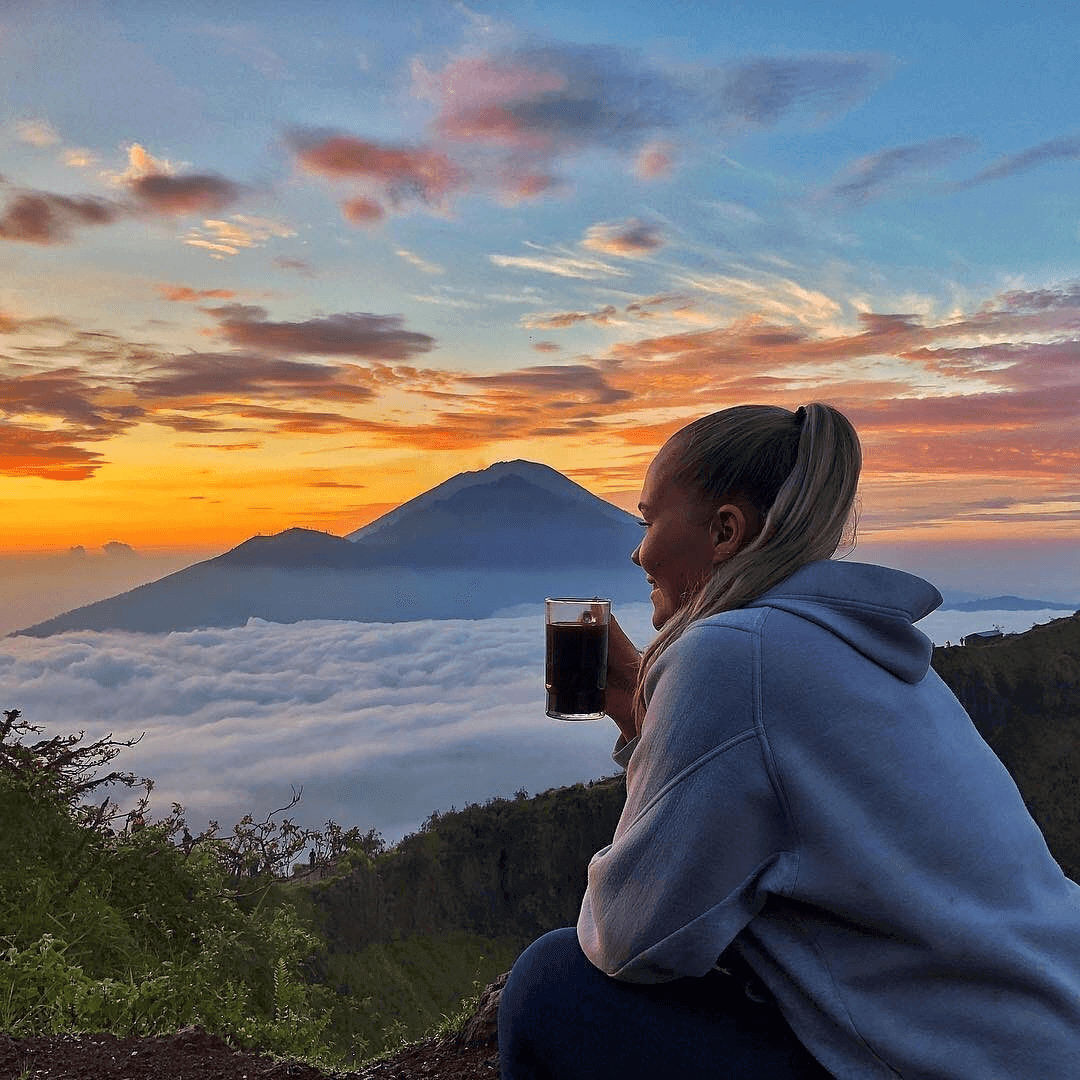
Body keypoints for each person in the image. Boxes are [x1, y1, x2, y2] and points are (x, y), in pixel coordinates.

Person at [499, 403, 1080, 1079]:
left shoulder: (728, 655)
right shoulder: (861, 645)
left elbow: (629, 939)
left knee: (550, 985)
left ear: (724, 531)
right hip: (1045, 1030)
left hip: (956, 1062)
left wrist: (647, 709)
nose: (638, 550)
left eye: (648, 520)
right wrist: (640, 712)